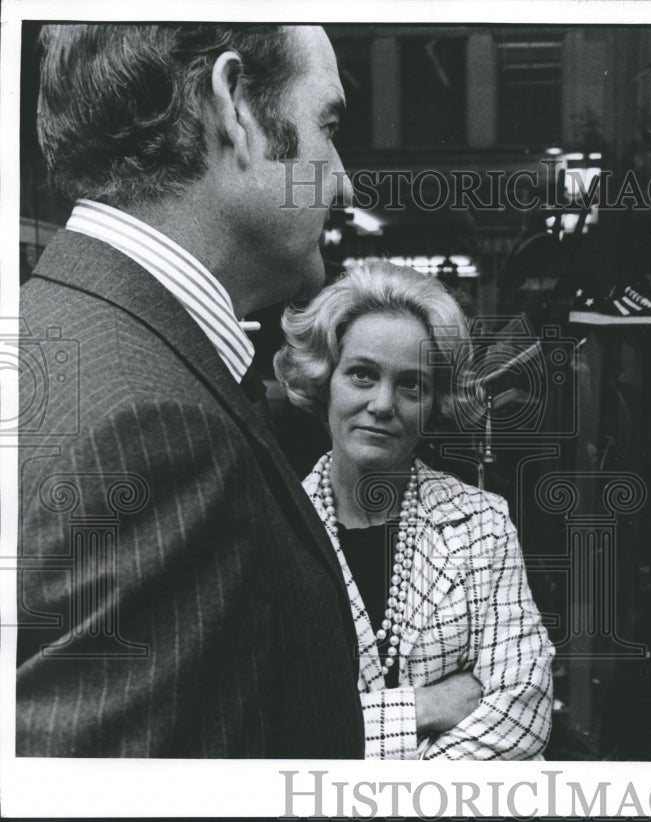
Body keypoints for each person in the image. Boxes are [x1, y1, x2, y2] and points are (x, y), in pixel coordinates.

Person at [18, 24, 364, 757]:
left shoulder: (50, 334)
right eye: (327, 128)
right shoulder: (153, 431)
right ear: (234, 104)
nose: (342, 178)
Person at [274, 260, 555, 759]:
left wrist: (393, 789)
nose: (383, 404)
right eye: (362, 375)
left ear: (435, 403)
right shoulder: (273, 528)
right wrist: (424, 708)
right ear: (324, 380)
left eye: (411, 385)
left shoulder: (482, 525)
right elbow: (269, 726)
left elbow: (524, 710)